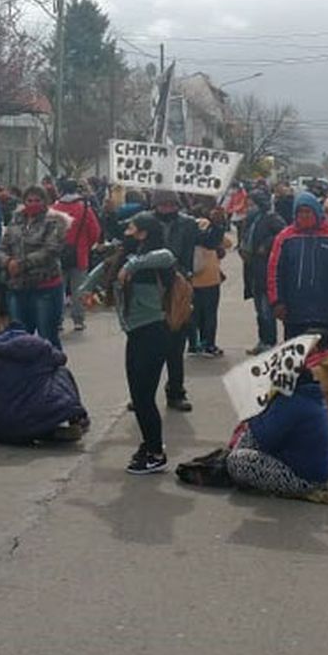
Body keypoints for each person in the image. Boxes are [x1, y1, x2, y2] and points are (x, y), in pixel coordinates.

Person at [85, 211, 177, 474]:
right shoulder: (127, 255)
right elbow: (103, 269)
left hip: (153, 333)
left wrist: (131, 266)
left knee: (144, 397)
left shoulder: (154, 259)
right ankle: (150, 445)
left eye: (131, 228)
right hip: (136, 334)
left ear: (143, 233)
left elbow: (168, 256)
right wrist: (87, 290)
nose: (126, 231)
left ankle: (156, 452)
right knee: (139, 396)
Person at [0, 323, 88, 446]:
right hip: (38, 417)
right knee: (61, 372)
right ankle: (75, 418)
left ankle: (33, 432)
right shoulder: (41, 347)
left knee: (12, 426)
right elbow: (62, 359)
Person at [226, 366, 328, 503]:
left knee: (236, 461)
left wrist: (254, 415)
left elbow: (265, 439)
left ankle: (305, 491)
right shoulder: (309, 397)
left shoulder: (293, 403)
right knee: (248, 440)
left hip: (303, 477)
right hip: (312, 470)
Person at [267, 191, 328, 348]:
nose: (304, 215)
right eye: (300, 212)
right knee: (296, 360)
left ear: (316, 211)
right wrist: (277, 301)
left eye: (308, 211)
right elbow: (274, 272)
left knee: (322, 360)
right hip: (294, 312)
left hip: (326, 312)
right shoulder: (285, 237)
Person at [0, 185, 69, 349]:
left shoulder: (55, 221)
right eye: (29, 200)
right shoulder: (15, 220)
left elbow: (51, 250)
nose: (33, 203)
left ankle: (53, 372)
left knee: (48, 337)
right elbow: (3, 247)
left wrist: (21, 264)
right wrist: (7, 262)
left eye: (37, 200)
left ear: (45, 201)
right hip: (18, 287)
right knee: (20, 338)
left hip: (46, 287)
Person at [152, 191, 199, 410]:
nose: (167, 208)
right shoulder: (145, 222)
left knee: (176, 343)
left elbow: (209, 241)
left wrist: (217, 223)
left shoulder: (189, 224)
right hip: (150, 287)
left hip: (178, 286)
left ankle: (176, 392)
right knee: (147, 347)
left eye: (171, 204)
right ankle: (143, 394)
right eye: (163, 204)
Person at [52, 179, 102, 334]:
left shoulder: (54, 208)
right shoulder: (85, 209)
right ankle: (78, 320)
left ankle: (57, 320)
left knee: (57, 289)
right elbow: (95, 231)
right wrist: (86, 246)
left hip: (58, 255)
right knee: (78, 289)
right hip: (80, 255)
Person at [240, 189, 284, 355]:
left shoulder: (271, 218)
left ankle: (270, 342)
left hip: (265, 268)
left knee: (266, 310)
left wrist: (267, 244)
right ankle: (262, 340)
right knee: (259, 309)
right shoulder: (250, 220)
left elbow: (283, 233)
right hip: (252, 268)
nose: (249, 206)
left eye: (252, 203)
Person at [189, 205, 229, 357]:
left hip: (191, 279)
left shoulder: (187, 227)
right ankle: (208, 344)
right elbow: (227, 243)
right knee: (210, 313)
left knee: (193, 314)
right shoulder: (209, 227)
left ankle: (193, 344)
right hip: (210, 278)